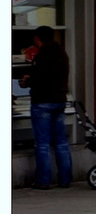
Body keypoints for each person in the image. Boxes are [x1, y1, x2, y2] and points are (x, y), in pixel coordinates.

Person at [25, 26, 71, 190]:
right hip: (60, 100)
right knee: (61, 142)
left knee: (42, 143)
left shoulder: (42, 55)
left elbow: (39, 78)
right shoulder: (62, 53)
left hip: (42, 101)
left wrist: (27, 81)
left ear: (38, 38)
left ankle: (43, 180)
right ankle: (65, 179)